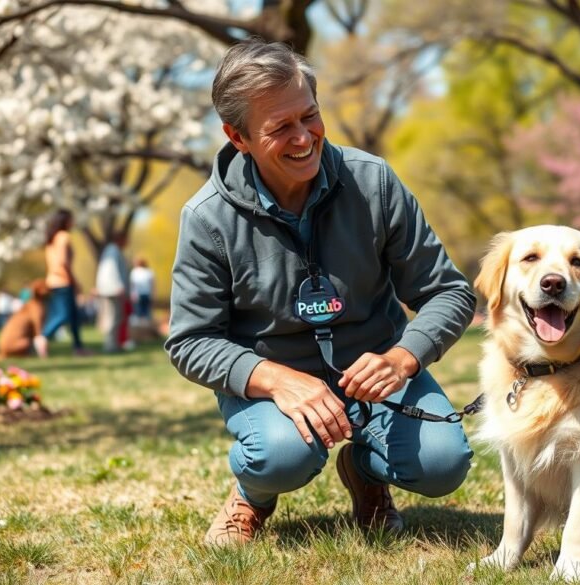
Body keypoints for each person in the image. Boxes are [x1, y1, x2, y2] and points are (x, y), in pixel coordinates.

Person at [166, 39, 475, 547]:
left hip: (378, 376)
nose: (304, 137)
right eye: (280, 128)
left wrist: (402, 358)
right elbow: (191, 341)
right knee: (280, 455)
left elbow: (448, 292)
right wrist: (273, 379)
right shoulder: (206, 219)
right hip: (273, 393)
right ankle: (253, 493)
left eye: (310, 116)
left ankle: (366, 471)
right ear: (236, 136)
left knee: (444, 463)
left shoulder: (374, 182)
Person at [40, 209, 88, 356]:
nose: (73, 223)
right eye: (71, 219)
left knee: (73, 316)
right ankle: (43, 336)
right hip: (63, 281)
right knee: (64, 314)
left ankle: (78, 348)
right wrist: (74, 281)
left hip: (52, 281)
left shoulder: (52, 238)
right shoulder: (63, 237)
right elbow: (63, 262)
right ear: (65, 221)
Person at [95, 234, 131, 352]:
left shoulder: (111, 250)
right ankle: (110, 346)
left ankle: (114, 344)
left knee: (116, 317)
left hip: (109, 289)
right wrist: (118, 286)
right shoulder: (112, 250)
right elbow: (111, 270)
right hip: (112, 290)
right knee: (113, 317)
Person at [0, 280, 50, 357]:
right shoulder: (36, 308)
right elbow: (38, 330)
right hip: (14, 346)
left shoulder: (29, 306)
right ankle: (41, 353)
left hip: (6, 347)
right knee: (26, 342)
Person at [129, 257, 155, 322]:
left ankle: (139, 327)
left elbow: (132, 284)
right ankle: (145, 326)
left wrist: (132, 293)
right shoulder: (149, 272)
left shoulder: (134, 271)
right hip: (147, 293)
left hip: (138, 294)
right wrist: (153, 293)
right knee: (146, 312)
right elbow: (152, 284)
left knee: (138, 312)